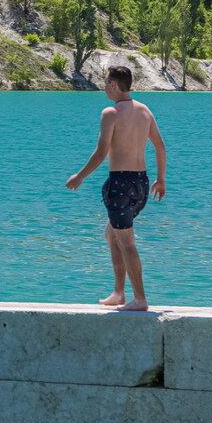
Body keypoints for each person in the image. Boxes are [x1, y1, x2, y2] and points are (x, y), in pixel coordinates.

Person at [65, 65, 167, 312]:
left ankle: (140, 299)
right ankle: (119, 292)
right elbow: (160, 147)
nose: (104, 88)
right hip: (141, 183)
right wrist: (160, 179)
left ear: (113, 84)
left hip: (120, 183)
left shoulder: (110, 113)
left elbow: (101, 153)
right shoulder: (145, 111)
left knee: (126, 240)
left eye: (105, 83)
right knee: (112, 233)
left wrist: (80, 176)